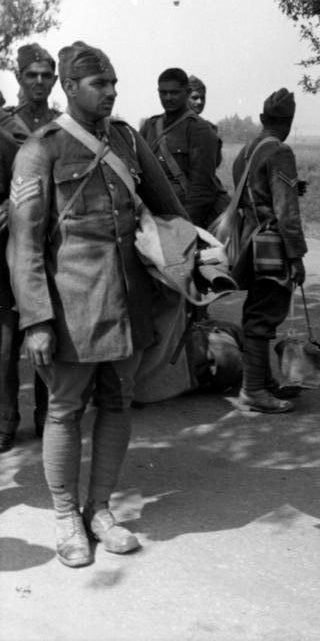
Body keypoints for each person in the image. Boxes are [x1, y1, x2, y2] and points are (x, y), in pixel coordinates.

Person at [7, 41, 187, 568]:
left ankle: (100, 510)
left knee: (118, 404)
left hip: (128, 302)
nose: (110, 92)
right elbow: (23, 246)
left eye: (112, 83)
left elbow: (168, 210)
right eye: (98, 84)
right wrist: (36, 320)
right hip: (72, 308)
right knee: (63, 409)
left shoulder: (129, 140)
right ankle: (66, 518)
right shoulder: (41, 150)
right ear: (71, 88)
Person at [0, 43, 61, 443]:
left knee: (50, 332)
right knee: (5, 340)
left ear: (55, 79)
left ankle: (47, 417)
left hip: (53, 239)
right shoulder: (4, 126)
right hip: (8, 243)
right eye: (31, 74)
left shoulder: (65, 125)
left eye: (45, 74)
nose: (38, 81)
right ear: (19, 78)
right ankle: (5, 422)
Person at [233, 87, 307, 414]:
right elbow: (286, 212)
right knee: (264, 314)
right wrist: (297, 256)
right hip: (272, 245)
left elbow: (253, 196)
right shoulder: (280, 152)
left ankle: (260, 382)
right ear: (289, 122)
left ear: (263, 118)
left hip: (248, 241)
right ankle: (254, 390)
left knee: (256, 309)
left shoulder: (246, 151)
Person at [140, 68, 227, 228]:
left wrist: (187, 229)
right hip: (156, 217)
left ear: (186, 92)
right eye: (163, 93)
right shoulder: (150, 126)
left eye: (174, 92)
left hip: (186, 218)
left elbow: (202, 189)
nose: (168, 98)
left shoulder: (199, 129)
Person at [186, 74, 230, 221]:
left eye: (203, 98)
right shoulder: (164, 127)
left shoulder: (210, 129)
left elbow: (213, 165)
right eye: (195, 97)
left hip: (205, 193)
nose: (199, 102)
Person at [0, 127, 20, 452]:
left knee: (3, 350)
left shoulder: (5, 144)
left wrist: (7, 208)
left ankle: (4, 420)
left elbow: (20, 194)